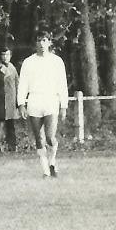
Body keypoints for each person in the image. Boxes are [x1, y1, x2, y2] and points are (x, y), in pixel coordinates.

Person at [18, 31, 69, 177]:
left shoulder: (57, 61)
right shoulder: (28, 62)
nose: (41, 43)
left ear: (49, 42)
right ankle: (45, 170)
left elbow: (62, 84)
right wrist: (21, 103)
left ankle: (52, 161)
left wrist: (63, 105)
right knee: (39, 138)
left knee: (50, 137)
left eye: (44, 40)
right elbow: (23, 84)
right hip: (34, 100)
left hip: (51, 100)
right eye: (39, 40)